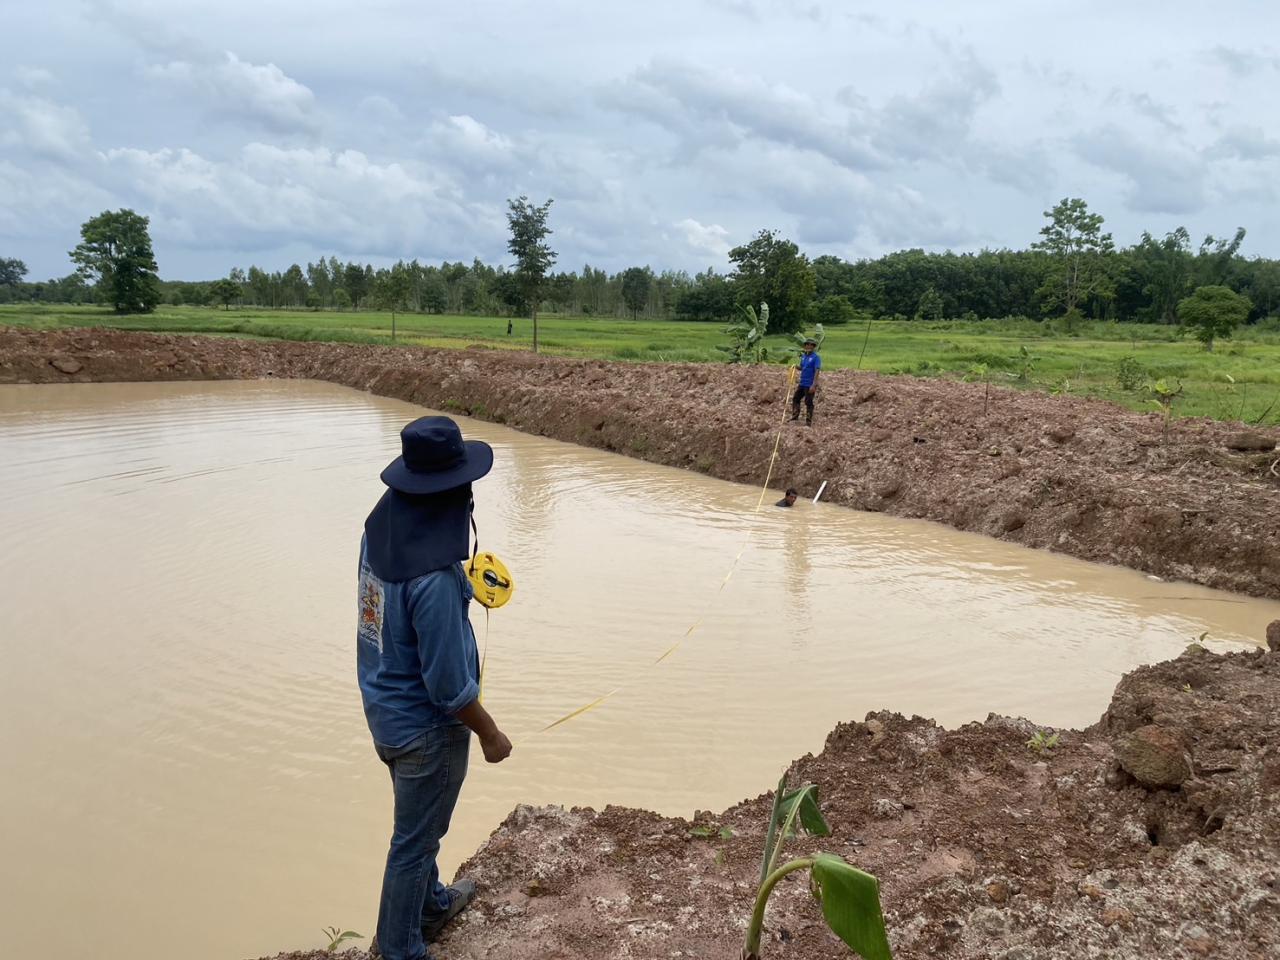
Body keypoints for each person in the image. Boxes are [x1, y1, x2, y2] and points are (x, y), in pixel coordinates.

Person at [358, 416, 513, 960]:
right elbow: (448, 687)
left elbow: (395, 624)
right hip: (428, 733)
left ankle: (431, 906)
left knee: (418, 828)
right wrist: (492, 735)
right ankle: (400, 949)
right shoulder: (436, 583)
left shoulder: (379, 532)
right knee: (415, 842)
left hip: (384, 710)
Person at [791, 337, 821, 426]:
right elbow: (802, 367)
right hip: (802, 383)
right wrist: (795, 367)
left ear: (813, 346)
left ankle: (808, 421)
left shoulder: (816, 358)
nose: (808, 346)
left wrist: (814, 384)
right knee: (796, 398)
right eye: (807, 344)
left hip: (810, 384)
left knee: (808, 402)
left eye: (810, 345)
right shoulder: (804, 356)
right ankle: (795, 416)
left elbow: (817, 370)